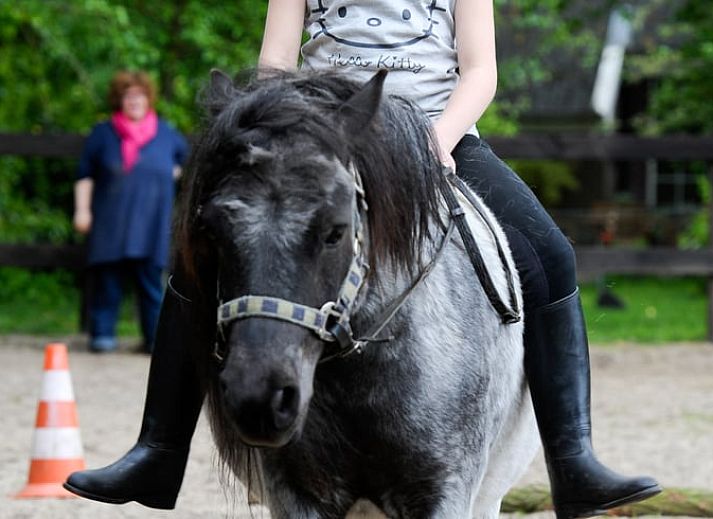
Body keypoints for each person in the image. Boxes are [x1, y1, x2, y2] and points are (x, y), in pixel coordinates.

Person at [65, 2, 661, 517]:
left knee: (550, 254)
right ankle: (159, 451)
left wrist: (437, 142)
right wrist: (278, 136)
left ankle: (574, 460)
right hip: (320, 141)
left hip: (433, 136)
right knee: (201, 253)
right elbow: (276, 63)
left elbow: (481, 71)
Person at [73, 71, 188, 353]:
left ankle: (155, 340)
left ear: (148, 99)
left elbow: (187, 167)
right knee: (107, 281)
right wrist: (82, 210)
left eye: (139, 95)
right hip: (111, 220)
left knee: (151, 285)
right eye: (128, 95)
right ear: (119, 100)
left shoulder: (167, 135)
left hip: (152, 223)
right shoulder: (103, 134)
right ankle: (102, 335)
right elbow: (85, 175)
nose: (134, 101)